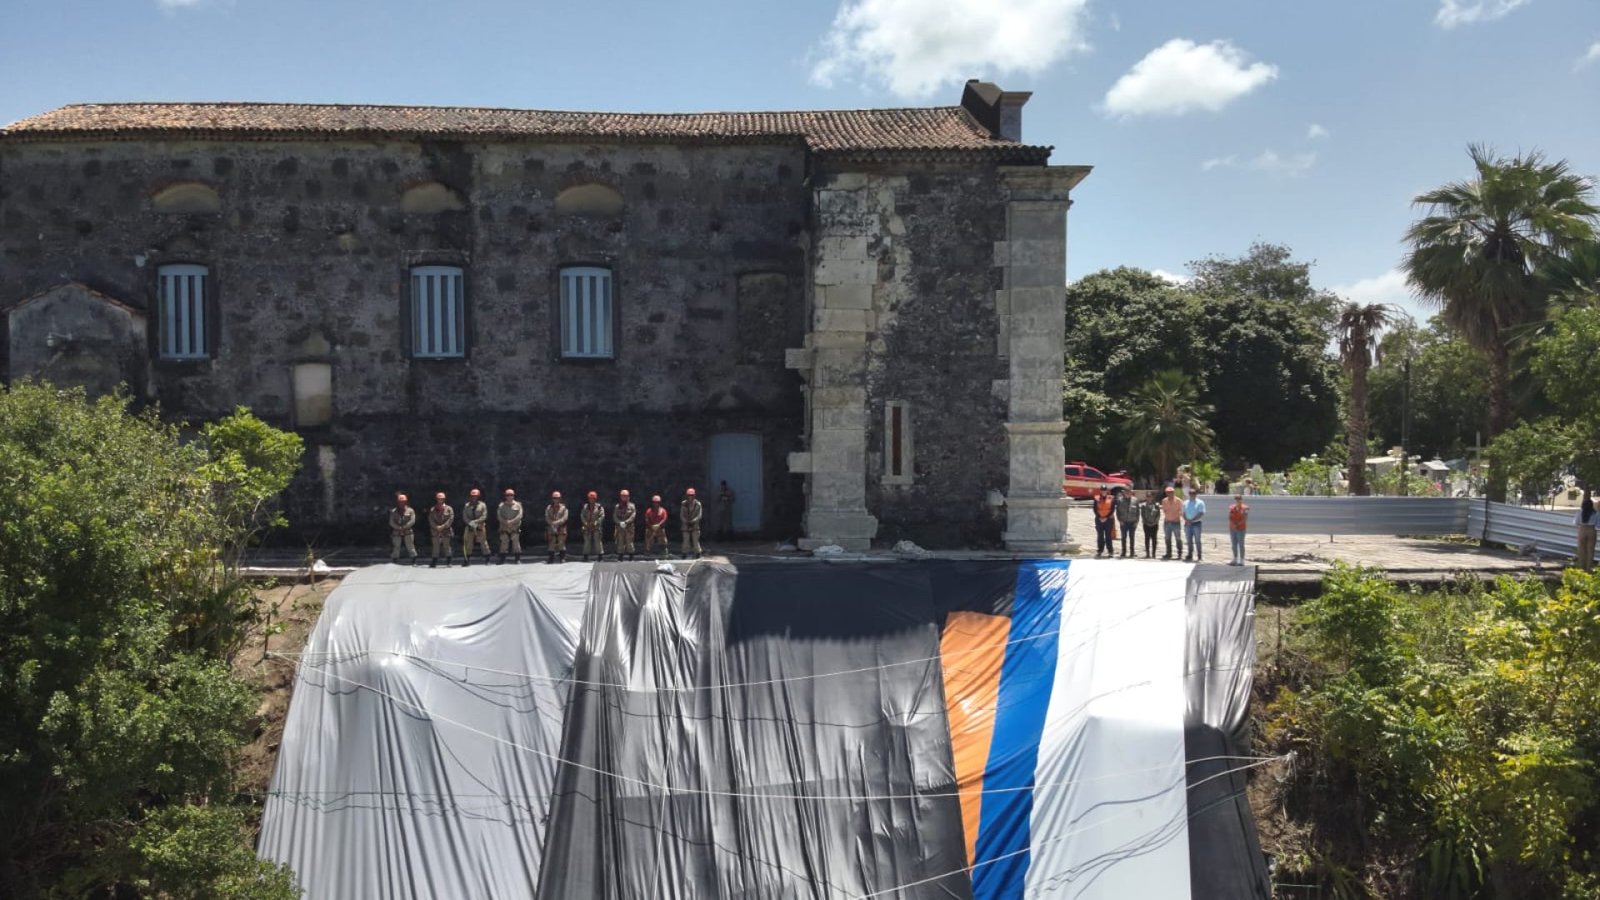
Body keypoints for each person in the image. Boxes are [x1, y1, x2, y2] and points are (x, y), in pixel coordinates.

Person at [461, 488, 490, 566]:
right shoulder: (467, 505)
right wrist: (470, 523)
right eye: (473, 496)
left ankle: (487, 559)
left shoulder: (482, 505)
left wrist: (476, 522)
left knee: (483, 543)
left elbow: (484, 516)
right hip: (470, 527)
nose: (474, 497)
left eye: (476, 496)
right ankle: (467, 560)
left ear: (478, 496)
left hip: (480, 526)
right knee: (469, 544)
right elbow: (465, 516)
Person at [388, 493, 417, 564]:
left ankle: (413, 560)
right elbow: (391, 522)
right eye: (400, 501)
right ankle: (394, 560)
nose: (402, 503)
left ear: (406, 502)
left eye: (403, 501)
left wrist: (404, 527)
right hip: (397, 531)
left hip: (408, 531)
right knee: (396, 546)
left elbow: (412, 521)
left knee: (410, 546)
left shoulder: (410, 510)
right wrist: (398, 528)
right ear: (397, 502)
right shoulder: (393, 511)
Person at [427, 492, 454, 568]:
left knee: (447, 546)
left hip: (446, 530)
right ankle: (434, 562)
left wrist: (443, 526)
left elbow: (451, 519)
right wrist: (436, 527)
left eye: (441, 499)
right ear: (437, 499)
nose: (440, 500)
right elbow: (430, 519)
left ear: (444, 499)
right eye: (439, 499)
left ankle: (449, 562)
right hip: (435, 531)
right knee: (435, 547)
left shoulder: (449, 509)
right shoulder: (433, 509)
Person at [496, 488, 523, 564]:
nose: (509, 497)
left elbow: (520, 515)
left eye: (511, 495)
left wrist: (512, 521)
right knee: (504, 543)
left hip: (515, 527)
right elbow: (499, 516)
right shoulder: (501, 506)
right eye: (507, 495)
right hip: (504, 527)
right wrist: (505, 522)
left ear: (513, 496)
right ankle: (502, 559)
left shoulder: (518, 505)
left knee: (516, 543)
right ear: (505, 496)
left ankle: (517, 559)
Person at [579, 491, 606, 561]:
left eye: (593, 498)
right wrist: (585, 523)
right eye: (590, 498)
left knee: (597, 541)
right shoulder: (585, 507)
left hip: (596, 526)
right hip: (587, 526)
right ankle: (585, 556)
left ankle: (600, 556)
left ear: (595, 499)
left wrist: (596, 523)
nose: (591, 500)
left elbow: (602, 516)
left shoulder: (599, 507)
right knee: (587, 542)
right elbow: (582, 516)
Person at [1160, 486, 1184, 560]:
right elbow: (1164, 511)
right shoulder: (1164, 501)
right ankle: (1168, 553)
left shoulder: (1179, 501)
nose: (1169, 494)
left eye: (1171, 492)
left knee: (1178, 538)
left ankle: (1179, 554)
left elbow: (1181, 511)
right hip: (1167, 522)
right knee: (1167, 538)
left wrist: (1176, 517)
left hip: (1176, 522)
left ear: (1174, 492)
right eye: (1168, 492)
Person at [544, 491, 569, 564]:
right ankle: (551, 558)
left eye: (557, 498)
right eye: (554, 498)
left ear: (560, 499)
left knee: (561, 543)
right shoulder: (549, 508)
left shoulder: (564, 508)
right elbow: (547, 516)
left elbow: (565, 518)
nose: (556, 500)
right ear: (552, 499)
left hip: (561, 528)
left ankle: (562, 558)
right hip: (552, 528)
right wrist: (552, 523)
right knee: (551, 543)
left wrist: (557, 523)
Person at [1114, 487, 1139, 558]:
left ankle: (1132, 552)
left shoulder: (1135, 500)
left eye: (1129, 491)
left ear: (1131, 492)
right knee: (1123, 538)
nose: (1128, 493)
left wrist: (1136, 521)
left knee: (1132, 538)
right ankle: (1123, 552)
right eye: (1126, 491)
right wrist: (1120, 520)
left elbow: (1138, 512)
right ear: (1124, 492)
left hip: (1132, 522)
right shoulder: (1120, 500)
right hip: (1124, 522)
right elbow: (1117, 511)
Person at [680, 487, 704, 559]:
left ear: (694, 496)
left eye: (692, 495)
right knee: (686, 540)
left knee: (695, 540)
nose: (690, 497)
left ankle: (697, 553)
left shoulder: (698, 504)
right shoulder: (683, 504)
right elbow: (681, 515)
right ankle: (684, 553)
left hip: (695, 525)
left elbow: (699, 515)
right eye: (689, 495)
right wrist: (685, 521)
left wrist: (694, 521)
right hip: (685, 525)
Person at [614, 490, 638, 561]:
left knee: (629, 542)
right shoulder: (617, 506)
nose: (624, 498)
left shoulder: (632, 506)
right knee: (620, 541)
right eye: (622, 496)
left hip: (629, 527)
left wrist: (626, 522)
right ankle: (620, 556)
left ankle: (631, 556)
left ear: (628, 497)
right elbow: (615, 516)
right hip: (620, 527)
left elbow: (633, 515)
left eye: (625, 496)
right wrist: (619, 522)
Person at [1575, 489, 1596, 572]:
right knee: (1590, 550)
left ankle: (1582, 568)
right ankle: (1589, 568)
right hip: (1591, 530)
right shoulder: (1595, 513)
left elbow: (1576, 523)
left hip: (1582, 529)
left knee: (1582, 550)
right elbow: (1598, 525)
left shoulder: (1580, 513)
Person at [1091, 487, 1116, 558]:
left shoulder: (1111, 498)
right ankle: (1100, 550)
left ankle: (1110, 551)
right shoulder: (1097, 498)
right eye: (1102, 490)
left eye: (1105, 490)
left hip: (1108, 520)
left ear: (1107, 491)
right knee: (1100, 536)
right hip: (1099, 520)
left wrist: (1106, 517)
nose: (1103, 492)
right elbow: (1095, 509)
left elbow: (1112, 509)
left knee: (1108, 536)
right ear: (1100, 491)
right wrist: (1099, 517)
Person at [1183, 490, 1207, 562]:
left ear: (1196, 494)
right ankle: (1190, 555)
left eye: (1193, 493)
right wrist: (1186, 520)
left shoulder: (1200, 502)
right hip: (1187, 524)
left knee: (1197, 540)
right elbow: (1183, 513)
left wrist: (1192, 520)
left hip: (1196, 524)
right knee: (1189, 540)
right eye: (1190, 493)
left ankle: (1199, 555)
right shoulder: (1185, 502)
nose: (1192, 495)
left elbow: (1201, 513)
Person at [643, 494, 669, 558]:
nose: (656, 504)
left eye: (657, 502)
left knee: (662, 539)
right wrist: (651, 526)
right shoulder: (649, 511)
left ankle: (663, 551)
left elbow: (664, 518)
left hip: (659, 528)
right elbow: (646, 519)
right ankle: (647, 551)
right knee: (648, 538)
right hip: (651, 528)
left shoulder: (663, 511)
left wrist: (659, 525)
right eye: (654, 502)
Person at [1228, 493, 1249, 566]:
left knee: (1241, 544)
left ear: (1241, 499)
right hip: (1232, 528)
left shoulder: (1245, 508)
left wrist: (1238, 524)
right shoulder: (1231, 507)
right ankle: (1235, 558)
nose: (1237, 500)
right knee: (1234, 544)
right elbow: (1230, 517)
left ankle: (1242, 559)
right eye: (1236, 499)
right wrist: (1233, 524)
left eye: (1239, 499)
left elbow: (1245, 518)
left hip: (1241, 528)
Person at [1139, 490, 1161, 559]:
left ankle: (1153, 553)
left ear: (1152, 497)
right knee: (1147, 539)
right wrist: (1147, 523)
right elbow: (1142, 515)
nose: (1149, 498)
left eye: (1150, 496)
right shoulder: (1143, 506)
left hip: (1154, 525)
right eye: (1148, 496)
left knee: (1154, 539)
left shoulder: (1156, 505)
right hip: (1146, 525)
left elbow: (1158, 516)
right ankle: (1147, 553)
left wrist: (1154, 523)